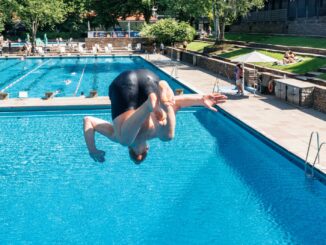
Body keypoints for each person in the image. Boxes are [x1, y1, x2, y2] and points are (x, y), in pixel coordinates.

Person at [83, 69, 227, 163]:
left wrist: (200, 100)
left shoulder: (157, 132)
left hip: (150, 79)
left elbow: (176, 105)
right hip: (133, 83)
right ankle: (153, 101)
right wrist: (92, 150)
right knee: (124, 140)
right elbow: (88, 121)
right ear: (130, 151)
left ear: (148, 149)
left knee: (167, 137)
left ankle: (152, 103)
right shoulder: (116, 136)